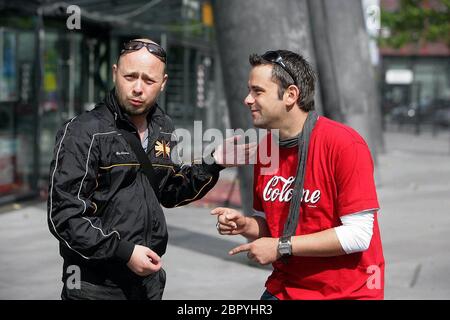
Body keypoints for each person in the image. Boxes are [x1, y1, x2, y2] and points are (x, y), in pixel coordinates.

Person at [47, 38, 254, 300]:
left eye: (148, 80)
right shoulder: (83, 131)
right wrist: (124, 251)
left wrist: (215, 162)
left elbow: (169, 190)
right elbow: (65, 216)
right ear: (114, 73)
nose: (137, 88)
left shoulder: (163, 126)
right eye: (130, 76)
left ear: (163, 83)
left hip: (148, 284)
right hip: (95, 286)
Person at [212, 50, 384, 300]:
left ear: (291, 95)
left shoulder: (344, 144)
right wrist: (245, 225)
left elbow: (358, 235)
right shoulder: (267, 150)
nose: (247, 99)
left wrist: (281, 246)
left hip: (344, 294)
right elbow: (271, 226)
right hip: (284, 289)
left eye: (258, 91)